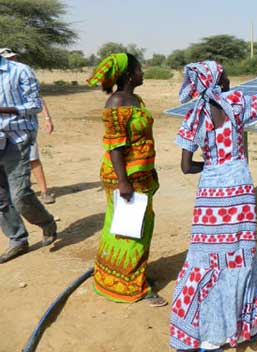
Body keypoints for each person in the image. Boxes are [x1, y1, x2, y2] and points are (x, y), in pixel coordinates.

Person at [169, 60, 257, 351]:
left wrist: (212, 167)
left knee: (207, 258)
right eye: (225, 75)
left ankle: (205, 336)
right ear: (218, 82)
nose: (229, 78)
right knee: (239, 257)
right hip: (239, 193)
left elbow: (186, 167)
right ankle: (242, 326)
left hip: (210, 196)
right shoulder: (236, 104)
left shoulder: (194, 116)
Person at [87, 53, 166, 307]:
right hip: (126, 178)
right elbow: (115, 147)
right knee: (130, 230)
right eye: (140, 69)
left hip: (139, 177)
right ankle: (129, 285)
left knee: (131, 227)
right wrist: (123, 182)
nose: (143, 73)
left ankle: (121, 275)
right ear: (130, 74)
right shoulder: (118, 101)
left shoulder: (135, 99)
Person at [0, 49, 58, 263]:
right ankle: (17, 240)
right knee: (1, 197)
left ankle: (46, 222)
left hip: (17, 138)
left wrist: (3, 110)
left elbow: (35, 105)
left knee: (20, 195)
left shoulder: (20, 71)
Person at [0, 48, 56, 204]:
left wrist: (47, 118)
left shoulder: (22, 72)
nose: (13, 59)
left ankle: (44, 193)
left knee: (32, 160)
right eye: (9, 57)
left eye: (13, 57)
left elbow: (36, 101)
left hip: (21, 132)